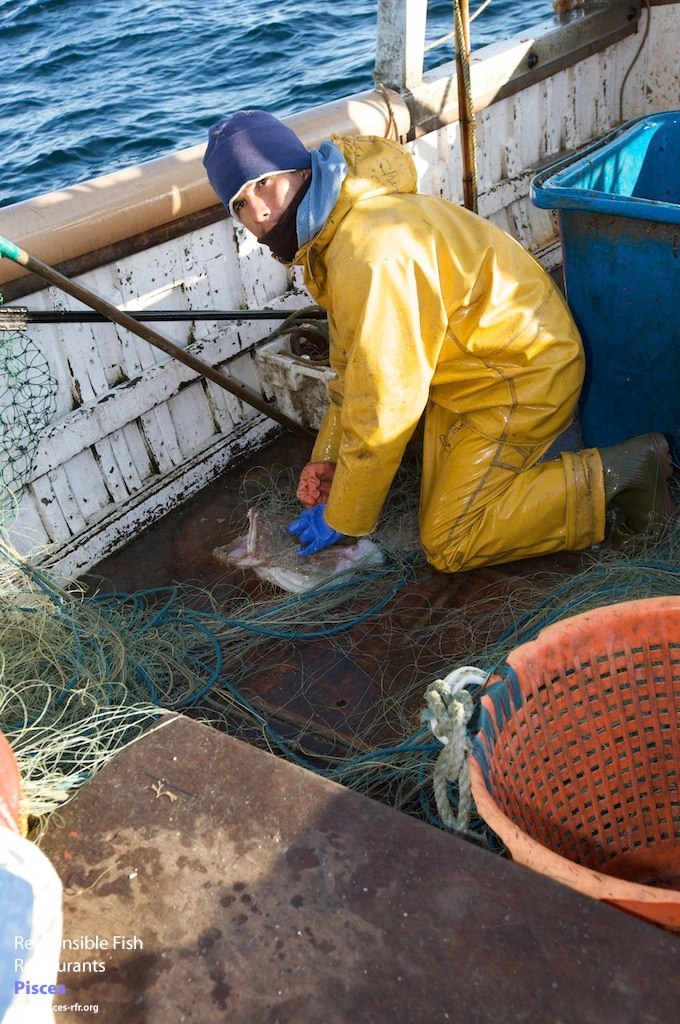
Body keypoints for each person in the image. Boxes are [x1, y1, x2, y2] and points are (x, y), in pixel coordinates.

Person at [203, 109, 674, 572]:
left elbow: (385, 402)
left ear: (301, 169)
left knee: (450, 539)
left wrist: (343, 517)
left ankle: (624, 471)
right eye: (239, 204)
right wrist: (328, 462)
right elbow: (353, 373)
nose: (258, 211)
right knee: (428, 489)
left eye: (263, 183)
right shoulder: (341, 227)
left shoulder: (368, 252)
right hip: (474, 367)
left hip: (522, 375)